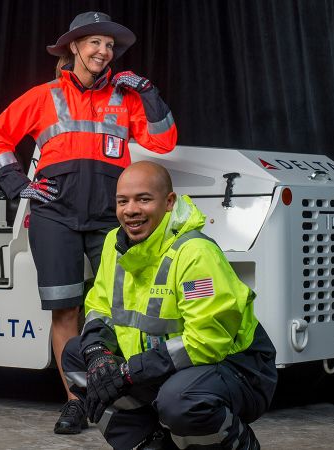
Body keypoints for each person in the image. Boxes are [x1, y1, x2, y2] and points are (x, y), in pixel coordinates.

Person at [0, 12, 177, 434]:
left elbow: (164, 140)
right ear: (74, 47)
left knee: (125, 309)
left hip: (111, 216)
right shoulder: (44, 95)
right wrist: (18, 184)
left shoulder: (126, 100)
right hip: (55, 216)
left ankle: (130, 396)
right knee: (66, 308)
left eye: (109, 46)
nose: (103, 52)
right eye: (94, 44)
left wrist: (150, 94)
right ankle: (75, 402)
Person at [61, 161, 278, 449]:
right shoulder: (115, 242)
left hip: (236, 368)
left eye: (144, 199)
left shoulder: (195, 253)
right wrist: (98, 353)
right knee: (78, 356)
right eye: (122, 201)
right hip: (163, 365)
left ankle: (239, 445)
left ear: (169, 202)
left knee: (180, 400)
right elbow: (99, 306)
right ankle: (150, 442)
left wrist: (129, 372)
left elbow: (206, 341)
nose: (131, 210)